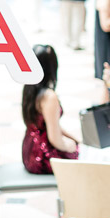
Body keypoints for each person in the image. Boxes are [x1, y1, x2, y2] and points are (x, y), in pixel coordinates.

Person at [21, 45, 79, 175]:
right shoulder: (49, 97)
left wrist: (74, 139)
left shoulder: (29, 89)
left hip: (29, 150)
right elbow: (54, 139)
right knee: (87, 160)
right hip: (42, 156)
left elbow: (50, 125)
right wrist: (72, 147)